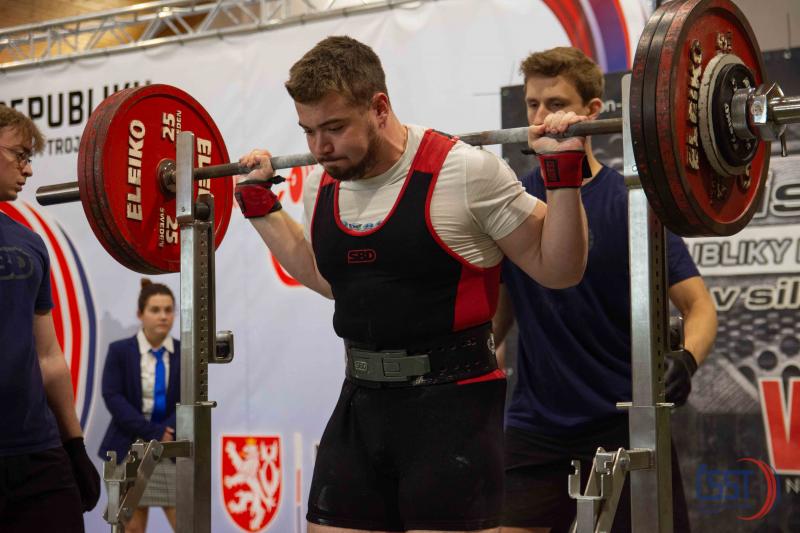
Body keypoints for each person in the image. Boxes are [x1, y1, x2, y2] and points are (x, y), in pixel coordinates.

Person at [235, 35, 590, 533]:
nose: (319, 148)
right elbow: (331, 280)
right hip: (361, 403)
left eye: (334, 128)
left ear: (379, 108)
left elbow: (559, 269)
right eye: (309, 131)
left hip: (453, 411)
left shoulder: (465, 172)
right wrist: (262, 209)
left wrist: (563, 175)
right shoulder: (323, 181)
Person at [494, 47, 718, 533]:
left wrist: (686, 360)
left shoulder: (634, 203)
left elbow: (699, 306)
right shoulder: (512, 205)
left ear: (593, 112)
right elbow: (497, 322)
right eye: (532, 104)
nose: (541, 117)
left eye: (556, 104)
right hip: (536, 425)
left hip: (623, 423)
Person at [0, 105, 100, 532]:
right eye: (19, 155)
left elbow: (48, 355)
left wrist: (74, 444)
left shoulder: (29, 243)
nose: (27, 169)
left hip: (37, 451)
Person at [98, 279, 180, 533]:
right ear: (140, 314)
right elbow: (113, 397)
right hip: (128, 447)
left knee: (187, 524)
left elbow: (190, 400)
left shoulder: (185, 353)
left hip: (171, 450)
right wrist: (154, 432)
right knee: (132, 528)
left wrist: (167, 431)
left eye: (168, 310)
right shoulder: (120, 351)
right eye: (155, 310)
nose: (163, 316)